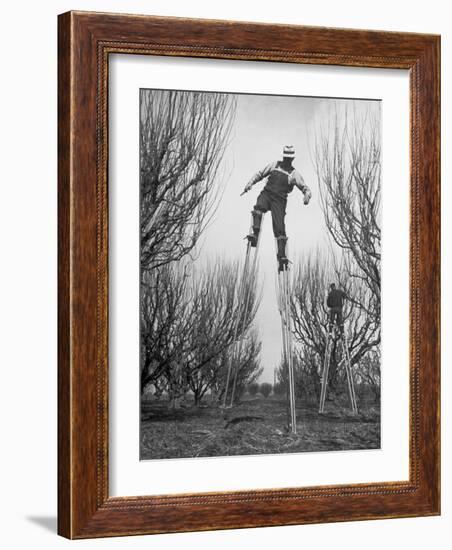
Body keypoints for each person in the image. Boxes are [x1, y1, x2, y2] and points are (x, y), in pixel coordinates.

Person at [242, 145, 311, 271]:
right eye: (286, 158)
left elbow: (305, 187)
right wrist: (250, 183)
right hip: (267, 193)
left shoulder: (294, 174)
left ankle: (282, 256)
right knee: (259, 206)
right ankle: (255, 234)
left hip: (279, 201)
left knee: (279, 228)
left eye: (289, 158)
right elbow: (260, 174)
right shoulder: (274, 165)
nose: (287, 160)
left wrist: (307, 195)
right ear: (284, 157)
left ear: (292, 159)